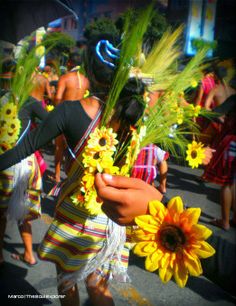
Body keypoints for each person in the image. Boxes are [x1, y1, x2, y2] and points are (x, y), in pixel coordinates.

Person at [0, 37, 158, 306]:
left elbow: (27, 145)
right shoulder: (133, 113)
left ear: (88, 75)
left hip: (76, 212)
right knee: (98, 288)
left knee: (66, 281)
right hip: (112, 218)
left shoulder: (70, 111)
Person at [0, 62, 48, 267]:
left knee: (0, 212)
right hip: (28, 164)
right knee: (23, 211)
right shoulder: (30, 102)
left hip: (5, 164)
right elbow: (51, 122)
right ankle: (29, 254)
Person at [94, 146, 216, 226]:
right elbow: (163, 163)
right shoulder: (151, 148)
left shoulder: (134, 144)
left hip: (134, 190)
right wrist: (163, 185)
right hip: (140, 191)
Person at [52, 57, 90, 183]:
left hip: (64, 115)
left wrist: (56, 108)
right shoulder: (85, 80)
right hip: (79, 117)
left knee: (59, 147)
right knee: (76, 148)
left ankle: (57, 176)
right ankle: (71, 177)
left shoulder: (65, 78)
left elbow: (58, 98)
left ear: (69, 63)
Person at [202, 94, 236, 230]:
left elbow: (216, 113)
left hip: (232, 142)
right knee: (234, 181)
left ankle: (225, 221)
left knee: (227, 183)